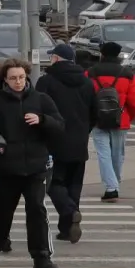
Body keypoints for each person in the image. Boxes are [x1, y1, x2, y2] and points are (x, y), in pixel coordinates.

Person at [0, 58, 63, 268]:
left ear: (27, 77)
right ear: (5, 80)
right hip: (7, 171)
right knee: (3, 214)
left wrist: (42, 120)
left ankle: (41, 257)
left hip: (36, 168)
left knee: (37, 210)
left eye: (21, 77)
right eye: (13, 78)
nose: (18, 82)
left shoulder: (41, 100)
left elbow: (60, 126)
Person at [35, 43, 95, 244]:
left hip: (54, 141)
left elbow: (38, 109)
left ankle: (69, 213)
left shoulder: (46, 82)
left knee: (53, 183)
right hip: (79, 142)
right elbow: (94, 112)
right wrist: (83, 131)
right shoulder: (87, 83)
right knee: (74, 185)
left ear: (57, 59)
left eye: (52, 56)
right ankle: (67, 228)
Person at [87, 41, 135, 201]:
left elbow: (85, 97)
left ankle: (111, 187)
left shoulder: (91, 73)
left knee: (103, 154)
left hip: (98, 120)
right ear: (118, 55)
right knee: (117, 154)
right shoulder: (127, 74)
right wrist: (128, 116)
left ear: (102, 54)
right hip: (121, 120)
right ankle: (115, 183)